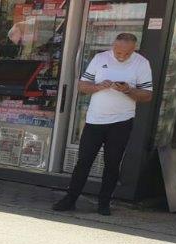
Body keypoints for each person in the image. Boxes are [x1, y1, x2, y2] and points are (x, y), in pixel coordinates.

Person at [53, 33, 153, 216]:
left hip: (122, 120)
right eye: (118, 52)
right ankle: (70, 199)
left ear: (134, 49)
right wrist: (99, 86)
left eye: (126, 53)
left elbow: (147, 95)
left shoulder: (142, 63)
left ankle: (104, 202)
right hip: (95, 119)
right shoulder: (100, 58)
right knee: (84, 161)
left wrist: (128, 90)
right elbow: (82, 86)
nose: (121, 56)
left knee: (112, 163)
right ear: (113, 46)